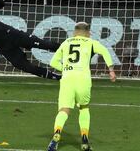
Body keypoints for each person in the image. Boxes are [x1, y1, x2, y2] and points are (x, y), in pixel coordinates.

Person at [46, 22, 116, 151]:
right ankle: (84, 140)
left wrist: (66, 69)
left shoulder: (66, 42)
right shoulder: (91, 42)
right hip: (83, 79)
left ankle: (57, 133)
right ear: (88, 33)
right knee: (83, 108)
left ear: (74, 32)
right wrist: (111, 69)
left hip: (67, 79)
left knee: (64, 110)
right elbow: (105, 51)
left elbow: (53, 62)